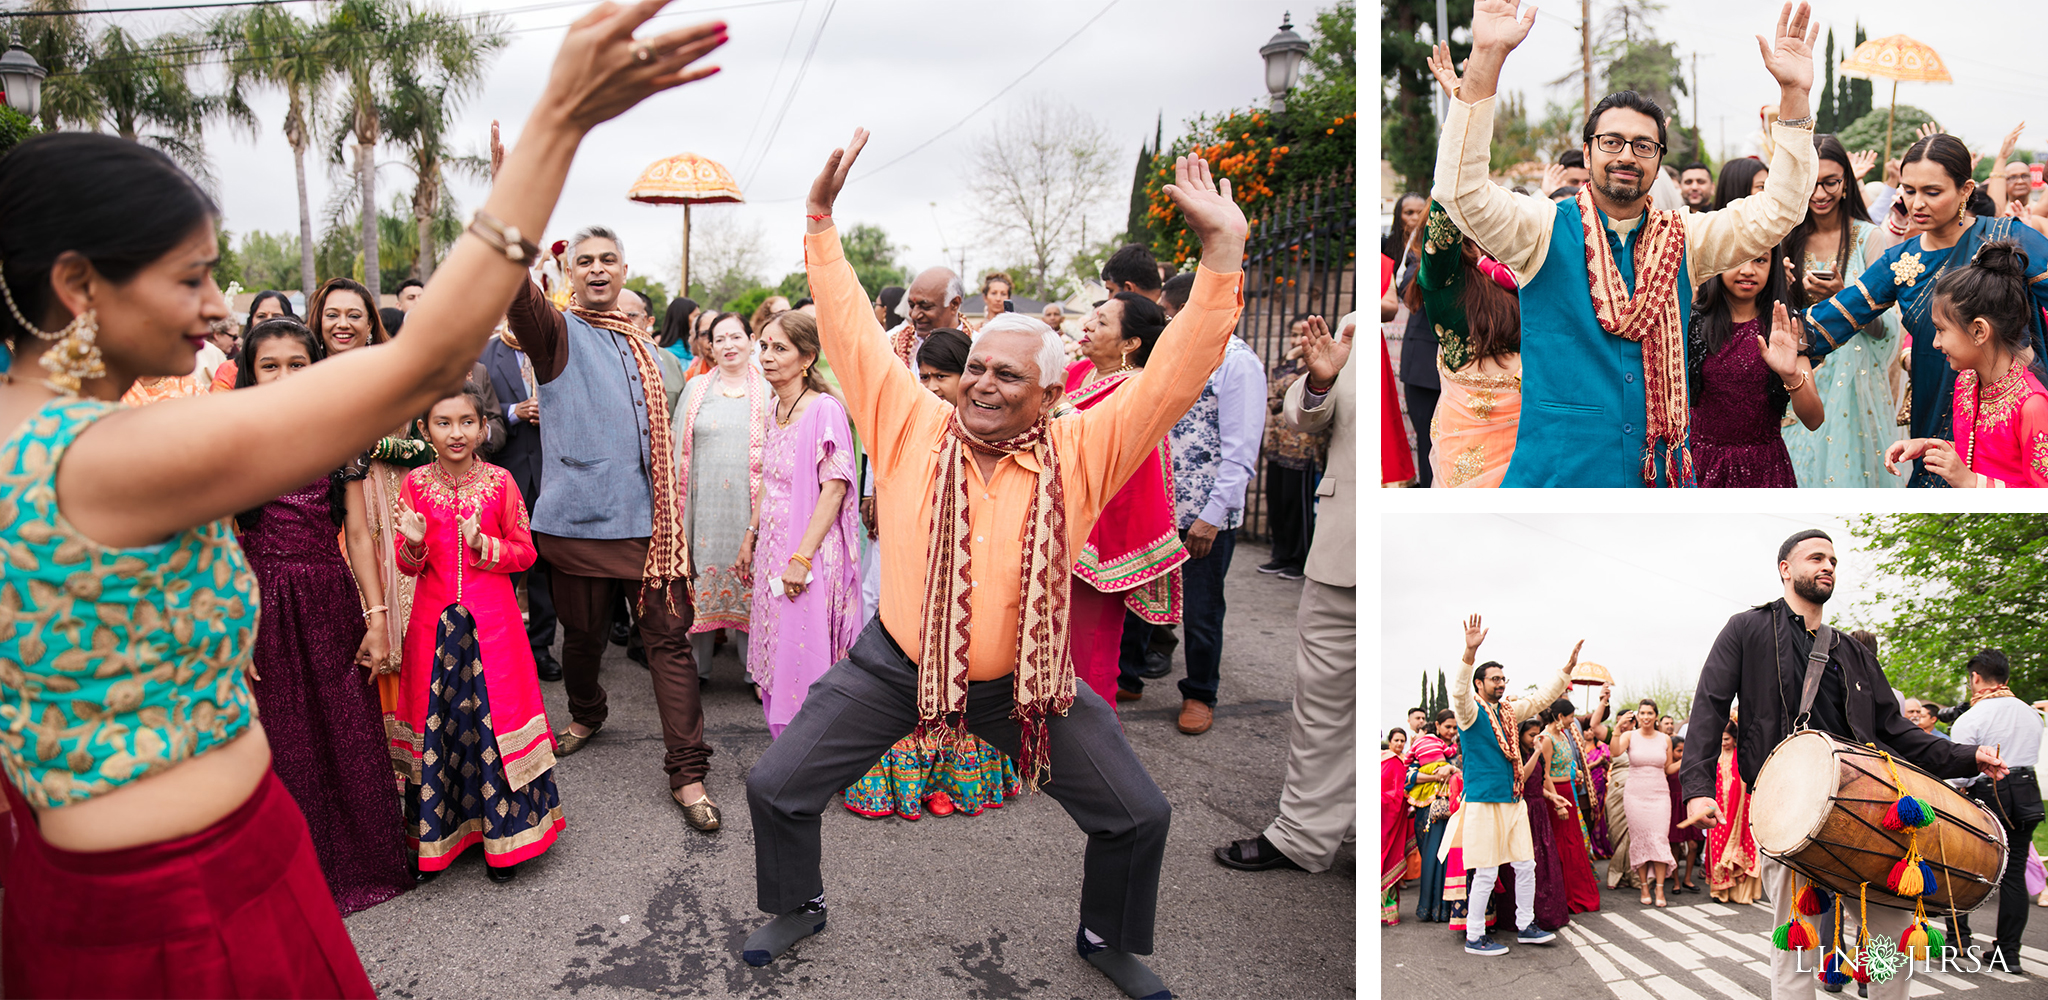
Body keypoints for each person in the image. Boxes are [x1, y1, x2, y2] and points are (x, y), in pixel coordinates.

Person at [0, 9, 725, 993]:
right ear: (78, 283)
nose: (219, 308)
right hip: (183, 906)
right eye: (190, 279)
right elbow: (421, 359)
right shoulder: (101, 458)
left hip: (90, 880)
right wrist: (557, 121)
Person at [738, 133, 1245, 1000]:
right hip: (895, 666)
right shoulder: (911, 424)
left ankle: (1106, 937)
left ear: (1050, 393)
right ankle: (799, 903)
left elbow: (1176, 373)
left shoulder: (1088, 443)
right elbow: (855, 331)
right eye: (975, 367)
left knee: (1137, 816)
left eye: (1007, 376)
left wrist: (1223, 250)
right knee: (777, 785)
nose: (981, 384)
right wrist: (820, 223)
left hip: (1028, 684)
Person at [1432, 0, 1820, 486]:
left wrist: (1794, 95)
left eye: (1643, 145)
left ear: (1658, 160)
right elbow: (1460, 195)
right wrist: (1487, 57)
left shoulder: (1685, 238)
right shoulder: (1542, 227)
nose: (1626, 156)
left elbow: (1778, 211)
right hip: (1558, 476)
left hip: (1660, 476)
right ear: (1590, 146)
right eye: (1611, 141)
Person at [1679, 528, 2006, 1000]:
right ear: (1785, 569)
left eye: (1833, 559)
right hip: (1785, 808)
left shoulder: (1851, 650)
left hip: (1866, 813)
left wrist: (1965, 754)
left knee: (1890, 934)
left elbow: (1895, 730)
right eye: (1816, 558)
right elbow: (1708, 705)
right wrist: (1698, 786)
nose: (1828, 565)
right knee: (1798, 944)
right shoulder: (1747, 629)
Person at [503, 215, 719, 831]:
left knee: (668, 642)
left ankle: (688, 771)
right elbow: (518, 294)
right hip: (576, 524)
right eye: (585, 262)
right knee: (583, 637)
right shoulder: (555, 336)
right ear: (569, 275)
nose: (597, 269)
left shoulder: (648, 351)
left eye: (608, 260)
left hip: (651, 527)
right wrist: (516, 215)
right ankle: (586, 712)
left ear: (624, 271)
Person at [231, 319, 412, 915]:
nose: (285, 376)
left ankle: (366, 865)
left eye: (297, 364)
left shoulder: (340, 436)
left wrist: (378, 616)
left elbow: (358, 535)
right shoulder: (232, 441)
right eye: (270, 366)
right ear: (249, 374)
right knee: (285, 739)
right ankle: (296, 878)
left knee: (347, 731)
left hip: (330, 599)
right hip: (262, 604)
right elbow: (216, 542)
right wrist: (231, 631)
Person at [844, 328, 1023, 821]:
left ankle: (952, 776)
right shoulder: (911, 422)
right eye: (922, 376)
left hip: (971, 585)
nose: (931, 387)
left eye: (941, 376)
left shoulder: (999, 435)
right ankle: (907, 777)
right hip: (909, 574)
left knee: (962, 675)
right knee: (909, 666)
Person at [1806, 133, 2048, 486]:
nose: (1916, 203)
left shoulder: (2009, 238)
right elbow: (1834, 319)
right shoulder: (1899, 260)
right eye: (1908, 189)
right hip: (1935, 405)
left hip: (2013, 409)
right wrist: (1787, 342)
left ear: (1966, 190)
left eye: (1932, 192)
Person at [395, 389, 564, 883]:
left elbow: (526, 553)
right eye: (443, 423)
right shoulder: (415, 486)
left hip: (494, 629)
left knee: (494, 726)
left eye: (466, 421)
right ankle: (436, 840)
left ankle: (506, 840)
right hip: (436, 631)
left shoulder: (501, 481)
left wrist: (482, 544)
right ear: (426, 431)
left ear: (482, 427)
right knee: (440, 728)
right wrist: (413, 544)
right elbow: (410, 568)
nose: (456, 433)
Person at [1065, 297, 1188, 710]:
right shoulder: (1078, 372)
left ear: (1129, 342)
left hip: (1094, 546)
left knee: (1089, 660)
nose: (1087, 325)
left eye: (1100, 322)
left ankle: (1093, 758)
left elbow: (1133, 480)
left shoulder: (1137, 390)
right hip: (1051, 535)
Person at [1155, 277, 1263, 736]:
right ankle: (1130, 675)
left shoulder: (1237, 363)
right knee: (1144, 598)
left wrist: (1210, 519)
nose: (1161, 321)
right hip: (1159, 506)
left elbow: (1240, 453)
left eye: (1165, 313)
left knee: (1201, 609)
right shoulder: (1175, 354)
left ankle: (1200, 693)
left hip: (1204, 516)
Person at [747, 310, 860, 735]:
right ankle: (787, 744)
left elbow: (834, 489)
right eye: (764, 346)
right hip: (773, 548)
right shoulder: (776, 406)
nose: (768, 356)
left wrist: (801, 557)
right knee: (776, 645)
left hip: (808, 550)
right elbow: (767, 481)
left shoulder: (823, 410)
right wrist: (751, 536)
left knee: (803, 648)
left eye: (781, 348)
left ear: (807, 357)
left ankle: (810, 744)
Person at [1437, 614, 1576, 955]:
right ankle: (1474, 937)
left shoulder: (1510, 711)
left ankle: (1526, 925)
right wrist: (1469, 654)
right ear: (1480, 684)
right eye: (1494, 679)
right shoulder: (1470, 713)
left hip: (1514, 801)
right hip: (1484, 801)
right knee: (1485, 872)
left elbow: (1542, 699)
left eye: (1503, 678)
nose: (1501, 683)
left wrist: (1566, 670)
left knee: (1526, 865)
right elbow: (1458, 692)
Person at [1779, 134, 1904, 487]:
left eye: (1830, 182)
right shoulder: (1785, 237)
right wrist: (1790, 292)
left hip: (1856, 386)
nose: (1820, 194)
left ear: (1846, 182)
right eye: (1811, 184)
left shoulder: (1868, 238)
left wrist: (1846, 300)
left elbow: (1887, 330)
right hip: (1803, 382)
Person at [1883, 240, 2048, 486]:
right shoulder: (1966, 382)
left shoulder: (2032, 405)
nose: (1936, 343)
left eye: (1941, 330)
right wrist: (1926, 446)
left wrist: (1971, 483)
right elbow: (1971, 450)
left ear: (1979, 331)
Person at [676, 311, 763, 691]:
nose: (728, 345)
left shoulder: (770, 389)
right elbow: (678, 445)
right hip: (704, 508)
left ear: (751, 339)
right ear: (709, 345)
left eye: (736, 337)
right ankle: (697, 670)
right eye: (719, 339)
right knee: (700, 583)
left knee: (754, 586)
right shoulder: (696, 390)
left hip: (751, 508)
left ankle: (756, 672)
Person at [1944, 649, 2044, 972]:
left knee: (1964, 867)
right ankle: (2008, 954)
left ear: (1975, 678)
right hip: (2027, 790)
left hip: (1988, 795)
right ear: (2006, 677)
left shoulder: (1970, 718)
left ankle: (1959, 940)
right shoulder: (2031, 714)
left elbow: (1960, 773)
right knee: (2013, 875)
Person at [1687, 252, 1819, 485]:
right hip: (1700, 465)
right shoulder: (1692, 321)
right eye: (1737, 258)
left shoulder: (1787, 325)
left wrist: (1791, 375)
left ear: (1773, 265)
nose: (1748, 270)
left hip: (1765, 468)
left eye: (1760, 260)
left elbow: (1814, 419)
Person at [481, 320, 560, 682]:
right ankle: (498, 646)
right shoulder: (486, 352)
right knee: (503, 564)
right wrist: (517, 411)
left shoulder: (554, 347)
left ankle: (541, 646)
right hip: (506, 469)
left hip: (552, 470)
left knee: (544, 565)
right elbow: (481, 409)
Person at [1259, 316, 1328, 575]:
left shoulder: (1318, 367)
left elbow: (1293, 394)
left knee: (1297, 506)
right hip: (1278, 446)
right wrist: (1289, 361)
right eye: (1293, 333)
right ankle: (1280, 554)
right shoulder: (1285, 365)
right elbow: (1275, 401)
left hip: (1304, 449)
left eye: (1302, 333)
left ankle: (1299, 560)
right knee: (1276, 502)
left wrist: (1291, 363)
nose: (1296, 339)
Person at [1539, 699, 1601, 912]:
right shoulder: (1546, 739)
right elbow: (1544, 774)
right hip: (1556, 796)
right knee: (1561, 845)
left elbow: (1566, 763)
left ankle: (1576, 892)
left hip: (1569, 791)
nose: (1572, 720)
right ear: (1559, 717)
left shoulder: (1564, 735)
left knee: (1574, 844)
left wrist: (1576, 773)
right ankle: (1562, 895)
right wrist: (1557, 803)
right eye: (1570, 716)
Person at [1614, 698, 1674, 905]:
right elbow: (1614, 752)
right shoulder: (1629, 736)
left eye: (1650, 713)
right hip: (1635, 795)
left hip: (1659, 795)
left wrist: (1689, 759)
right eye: (1642, 713)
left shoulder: (1665, 739)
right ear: (1637, 716)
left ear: (1656, 716)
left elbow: (1668, 768)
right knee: (1639, 840)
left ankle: (1659, 889)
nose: (1646, 717)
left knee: (1659, 839)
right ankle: (1644, 888)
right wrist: (1616, 730)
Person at [1410, 710, 1463, 922]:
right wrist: (1437, 773)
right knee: (1431, 856)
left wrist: (1451, 768)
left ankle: (1449, 909)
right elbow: (1410, 776)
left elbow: (1466, 773)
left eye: (1454, 727)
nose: (1451, 731)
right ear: (1438, 725)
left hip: (1454, 808)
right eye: (1447, 727)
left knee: (1450, 856)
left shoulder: (1460, 748)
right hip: (1428, 809)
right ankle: (1430, 908)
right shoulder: (1425, 746)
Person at [888, 269, 960, 367]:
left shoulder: (975, 347)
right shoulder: (891, 345)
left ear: (954, 304)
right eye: (912, 306)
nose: (914, 315)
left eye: (926, 306)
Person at [1383, 729, 1416, 925]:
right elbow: (1392, 792)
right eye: (1396, 740)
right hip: (1385, 816)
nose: (1399, 744)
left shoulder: (1401, 761)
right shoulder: (1387, 760)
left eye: (1403, 741)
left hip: (1392, 816)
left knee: (1388, 859)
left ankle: (1387, 911)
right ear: (1389, 741)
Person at [1664, 735, 1700, 893]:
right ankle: (1676, 881)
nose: (1682, 753)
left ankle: (1687, 879)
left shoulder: (1691, 764)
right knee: (1675, 846)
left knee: (1693, 845)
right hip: (1673, 806)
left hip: (1688, 804)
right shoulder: (1668, 765)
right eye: (1679, 750)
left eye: (1685, 750)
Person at [659, 295, 700, 365]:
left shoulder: (700, 350)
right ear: (683, 318)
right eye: (696, 316)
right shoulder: (664, 356)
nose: (699, 321)